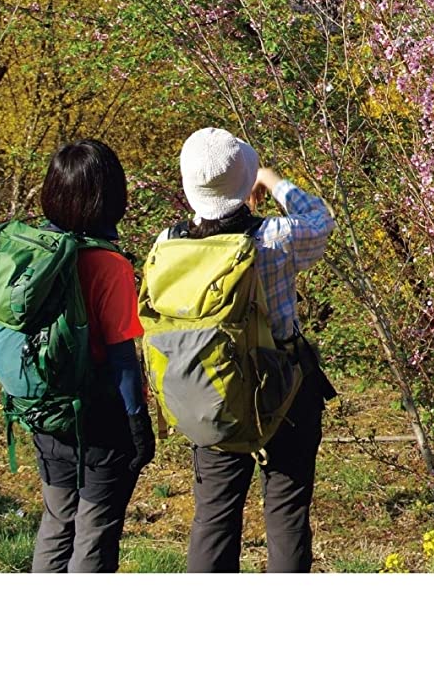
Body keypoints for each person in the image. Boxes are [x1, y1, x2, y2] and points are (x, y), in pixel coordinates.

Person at [163, 127, 335, 573]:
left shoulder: (168, 243)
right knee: (286, 512)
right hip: (285, 388)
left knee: (214, 516)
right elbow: (321, 220)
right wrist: (274, 182)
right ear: (244, 182)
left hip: (212, 390)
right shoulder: (275, 238)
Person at [27, 138, 157, 574]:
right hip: (100, 419)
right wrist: (138, 424)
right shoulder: (109, 264)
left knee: (58, 521)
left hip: (44, 410)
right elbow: (122, 357)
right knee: (95, 532)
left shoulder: (33, 250)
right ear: (110, 197)